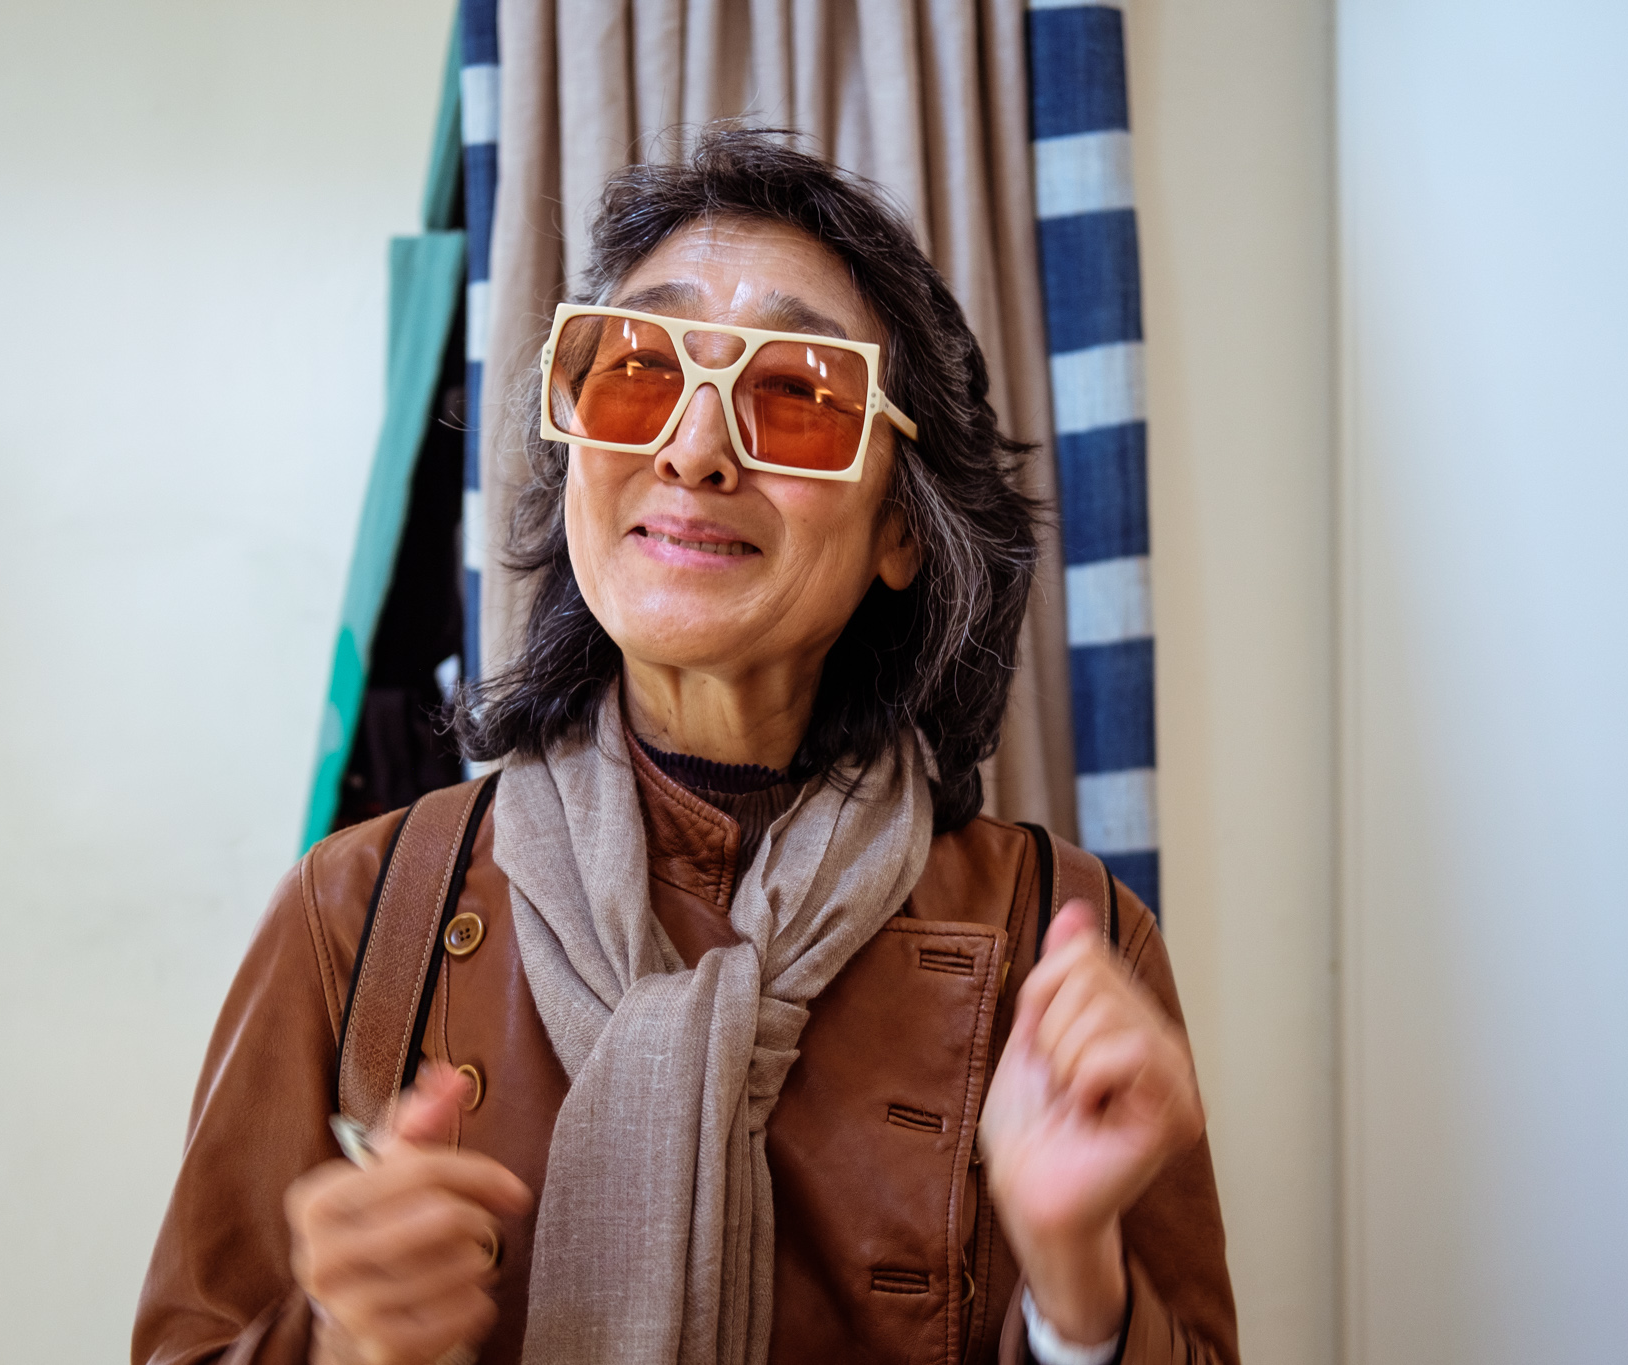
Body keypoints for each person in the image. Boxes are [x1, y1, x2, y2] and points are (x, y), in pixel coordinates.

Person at [134, 130, 1236, 1365]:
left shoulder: (1062, 945)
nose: (693, 449)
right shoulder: (352, 916)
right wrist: (340, 1347)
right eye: (637, 372)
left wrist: (1078, 1296)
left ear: (901, 531)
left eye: (797, 395)